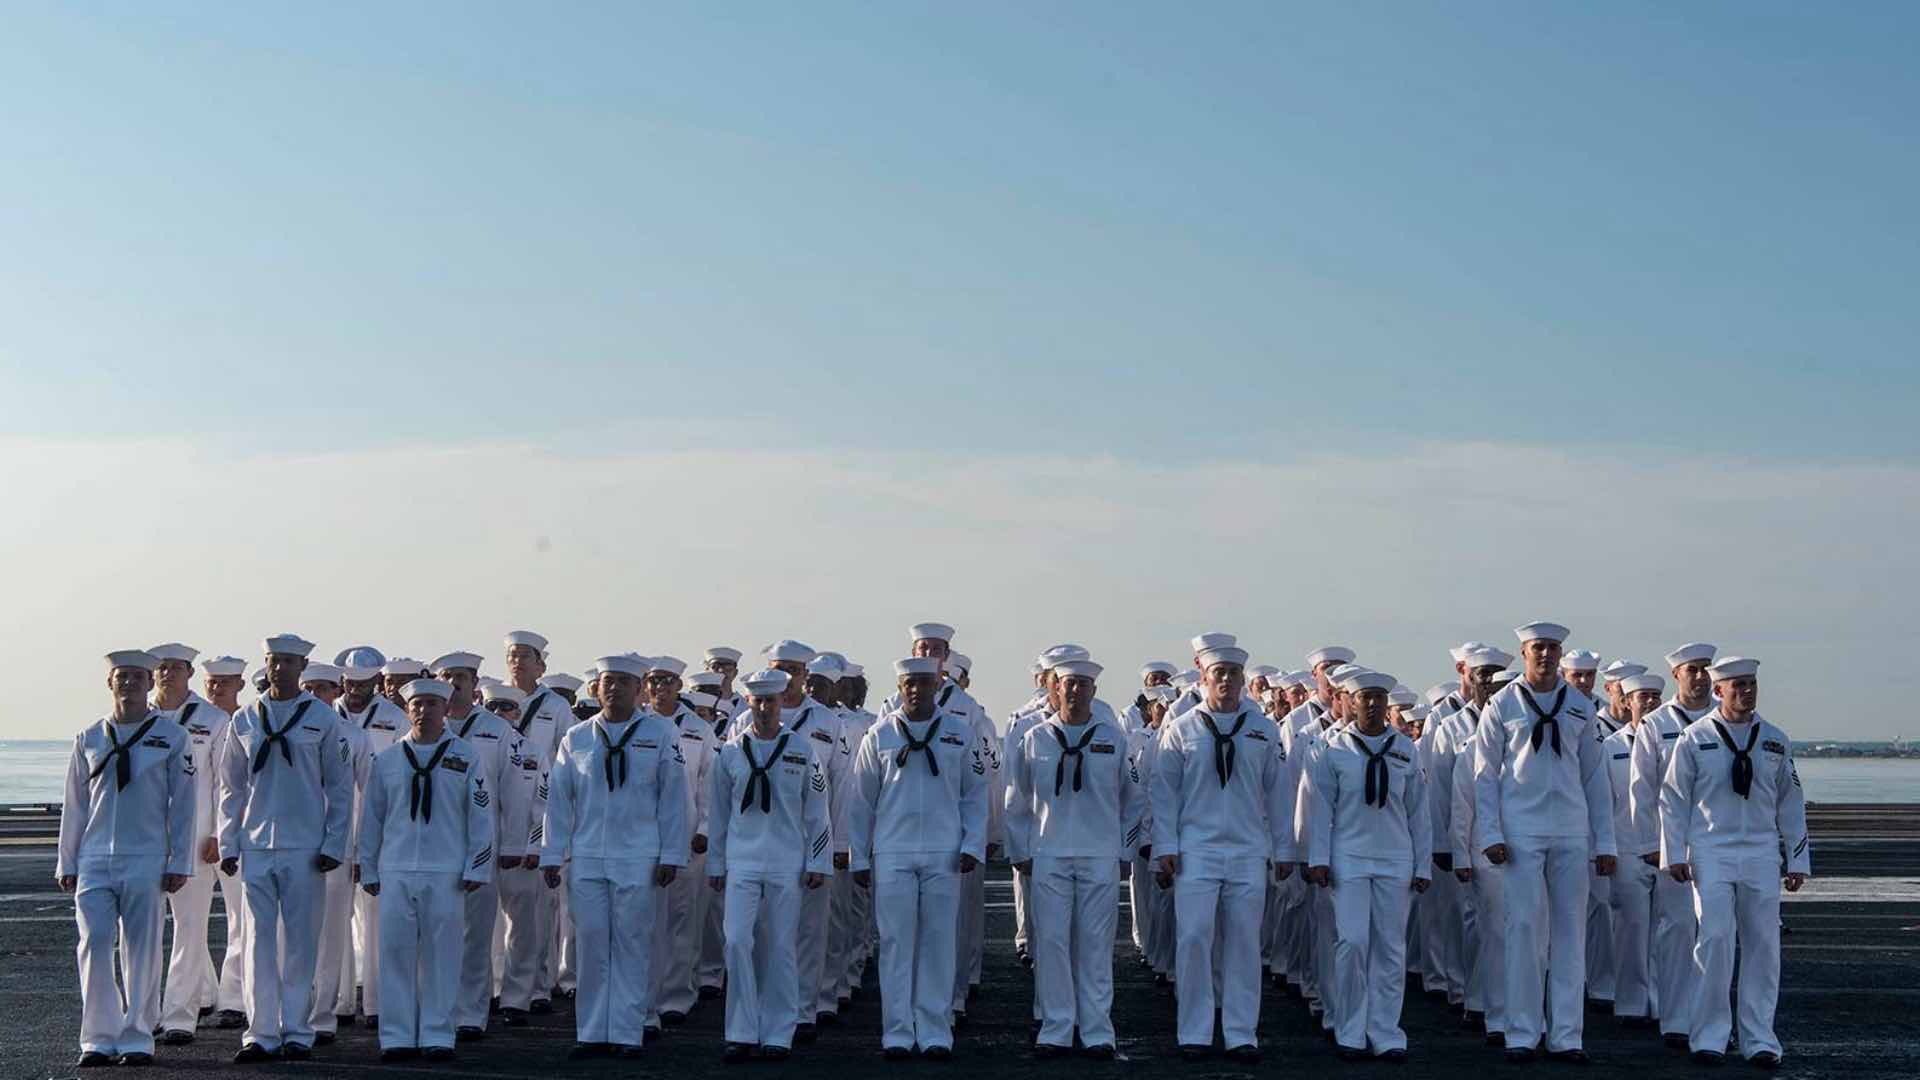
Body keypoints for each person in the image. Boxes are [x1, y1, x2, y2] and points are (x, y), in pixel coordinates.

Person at [1469, 622, 1615, 1064]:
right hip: (1520, 832)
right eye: (1538, 648)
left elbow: (1595, 776)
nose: (1546, 656)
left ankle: (1567, 1035)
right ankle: (1522, 1032)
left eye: (1553, 648)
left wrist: (1603, 841)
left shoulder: (1580, 706)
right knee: (1524, 932)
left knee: (1570, 935)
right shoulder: (1503, 703)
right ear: (1524, 652)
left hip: (1571, 830)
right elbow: (1485, 775)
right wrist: (1491, 833)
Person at [1659, 657, 1808, 1069]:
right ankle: (1708, 1036)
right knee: (1716, 939)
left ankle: (1760, 1039)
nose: (1747, 691)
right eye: (1738, 685)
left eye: (1752, 683)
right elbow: (1672, 800)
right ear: (1719, 690)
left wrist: (1797, 859)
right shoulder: (1694, 738)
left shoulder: (1775, 739)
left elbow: (1790, 802)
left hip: (1760, 852)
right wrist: (1674, 854)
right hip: (1712, 850)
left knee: (1764, 945)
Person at [541, 654, 692, 1059]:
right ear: (595, 688)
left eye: (624, 682)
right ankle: (591, 1032)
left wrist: (672, 853)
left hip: (638, 855)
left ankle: (627, 1032)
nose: (614, 688)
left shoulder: (661, 733)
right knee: (590, 945)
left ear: (640, 688)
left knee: (631, 945)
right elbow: (558, 800)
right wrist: (551, 853)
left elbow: (674, 798)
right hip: (588, 855)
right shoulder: (577, 738)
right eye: (608, 681)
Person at [217, 634, 354, 1063]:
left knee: (300, 942)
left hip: (305, 846)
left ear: (304, 666)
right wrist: (228, 840)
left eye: (289, 662)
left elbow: (340, 786)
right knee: (257, 939)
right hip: (256, 844)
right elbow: (231, 785)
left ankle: (297, 1029)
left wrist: (334, 841)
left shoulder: (323, 719)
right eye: (274, 661)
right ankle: (260, 1033)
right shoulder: (244, 718)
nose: (280, 668)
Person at [1153, 644, 1294, 1062]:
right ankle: (1194, 1031)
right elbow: (1164, 793)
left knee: (1244, 943)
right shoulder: (1182, 728)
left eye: (1234, 672)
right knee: (1194, 938)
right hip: (1196, 850)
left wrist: (1283, 848)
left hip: (1248, 850)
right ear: (1204, 678)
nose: (1227, 680)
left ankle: (1240, 1032)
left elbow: (1279, 794)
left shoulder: (1263, 729)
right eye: (1220, 672)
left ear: (1244, 679)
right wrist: (1165, 846)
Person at [847, 657, 989, 1059]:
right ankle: (897, 1031)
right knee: (895, 943)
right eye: (908, 682)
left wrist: (971, 845)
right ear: (899, 685)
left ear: (937, 683)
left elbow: (975, 794)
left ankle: (935, 1030)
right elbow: (860, 802)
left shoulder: (959, 733)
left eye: (923, 682)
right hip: (893, 850)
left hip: (944, 852)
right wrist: (860, 856)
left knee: (939, 943)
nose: (915, 690)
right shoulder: (880, 735)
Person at [60, 650, 195, 1069]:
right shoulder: (90, 738)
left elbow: (184, 804)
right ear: (110, 683)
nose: (130, 683)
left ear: (150, 683)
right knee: (94, 944)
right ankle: (98, 1038)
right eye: (122, 676)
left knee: (142, 949)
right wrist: (67, 860)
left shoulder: (171, 737)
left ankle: (137, 1036)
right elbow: (75, 803)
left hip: (146, 855)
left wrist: (180, 860)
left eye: (138, 677)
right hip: (95, 857)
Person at [1004, 657, 1143, 1059]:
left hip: (1099, 853)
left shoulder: (1113, 738)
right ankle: (1056, 1027)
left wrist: (1124, 849)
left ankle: (1098, 1029)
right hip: (1050, 854)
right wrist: (1020, 850)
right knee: (1050, 944)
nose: (1076, 691)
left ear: (1094, 692)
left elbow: (1133, 800)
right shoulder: (1035, 739)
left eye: (1084, 685)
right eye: (1069, 684)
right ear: (1055, 689)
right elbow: (1016, 800)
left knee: (1097, 946)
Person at [356, 678, 495, 1063]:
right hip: (396, 868)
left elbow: (481, 817)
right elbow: (372, 819)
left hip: (446, 870)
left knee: (443, 955)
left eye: (432, 704)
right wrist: (368, 866)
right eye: (416, 704)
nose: (423, 710)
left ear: (446, 709)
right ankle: (397, 1035)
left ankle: (438, 1034)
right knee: (395, 954)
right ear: (406, 710)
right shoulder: (387, 760)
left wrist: (476, 867)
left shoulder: (466, 756)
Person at [707, 668, 835, 1061]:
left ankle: (779, 1031)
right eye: (758, 701)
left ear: (782, 703)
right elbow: (718, 814)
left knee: (781, 946)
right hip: (742, 861)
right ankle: (742, 1030)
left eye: (771, 701)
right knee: (737, 941)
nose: (764, 708)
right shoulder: (729, 752)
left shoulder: (801, 750)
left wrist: (818, 859)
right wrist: (716, 864)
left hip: (786, 861)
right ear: (748, 703)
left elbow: (817, 811)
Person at [1303, 669, 1430, 1061]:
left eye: (1378, 697)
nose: (1372, 704)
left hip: (1395, 856)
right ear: (1349, 700)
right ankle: (1350, 1028)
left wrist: (1422, 864)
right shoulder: (1334, 749)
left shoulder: (1405, 749)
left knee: (1391, 947)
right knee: (1353, 942)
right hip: (1349, 857)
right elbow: (1319, 808)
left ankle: (1386, 1031)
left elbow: (1418, 812)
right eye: (1364, 697)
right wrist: (1319, 859)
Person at [430, 650, 536, 1041]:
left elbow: (515, 792)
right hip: (433, 846)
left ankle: (470, 1013)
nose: (454, 684)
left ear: (476, 683)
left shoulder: (497, 729)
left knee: (476, 932)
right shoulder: (426, 725)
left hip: (481, 845)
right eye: (447, 676)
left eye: (462, 677)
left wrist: (511, 843)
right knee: (437, 931)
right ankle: (438, 1007)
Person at [1629, 642, 1718, 1050]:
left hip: (1719, 843)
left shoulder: (1725, 720)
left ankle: (1712, 1019)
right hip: (1674, 844)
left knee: (1716, 933)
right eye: (1691, 670)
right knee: (1677, 929)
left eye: (1704, 669)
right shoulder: (1655, 724)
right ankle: (1676, 1019)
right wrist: (1652, 843)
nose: (1699, 676)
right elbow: (1642, 790)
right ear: (1676, 677)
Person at [147, 643, 228, 1045]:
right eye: (160, 668)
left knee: (189, 926)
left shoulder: (212, 720)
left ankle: (179, 1015)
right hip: (145, 837)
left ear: (190, 673)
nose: (167, 675)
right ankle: (148, 1014)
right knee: (144, 931)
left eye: (175, 668)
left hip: (196, 837)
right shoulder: (140, 718)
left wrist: (217, 833)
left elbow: (222, 781)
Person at [642, 655, 716, 1030]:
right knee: (647, 923)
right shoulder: (639, 726)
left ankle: (677, 995)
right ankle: (648, 997)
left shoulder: (698, 729)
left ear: (679, 686)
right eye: (654, 680)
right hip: (645, 842)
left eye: (667, 681)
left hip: (688, 842)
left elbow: (708, 785)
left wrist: (704, 828)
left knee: (683, 921)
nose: (660, 687)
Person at [337, 661, 406, 1028]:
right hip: (333, 833)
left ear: (376, 682)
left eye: (364, 682)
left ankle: (377, 1005)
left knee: (377, 923)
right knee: (335, 923)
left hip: (378, 832)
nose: (355, 688)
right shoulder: (326, 716)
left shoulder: (396, 719)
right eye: (350, 681)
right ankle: (340, 1001)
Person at [1602, 671, 1665, 1028]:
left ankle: (1663, 1003)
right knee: (1631, 929)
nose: (1651, 703)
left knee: (1668, 930)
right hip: (1625, 847)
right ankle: (1629, 1004)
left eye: (1656, 696)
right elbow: (1602, 801)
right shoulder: (1609, 748)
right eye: (1643, 697)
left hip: (1668, 848)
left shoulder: (1674, 740)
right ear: (1627, 702)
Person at [197, 655, 252, 1029]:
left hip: (236, 833)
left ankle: (234, 998)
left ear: (241, 686)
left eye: (226, 682)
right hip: (195, 836)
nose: (217, 688)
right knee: (191, 923)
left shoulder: (249, 722)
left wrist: (225, 832)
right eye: (212, 682)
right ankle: (200, 993)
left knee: (239, 919)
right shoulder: (192, 721)